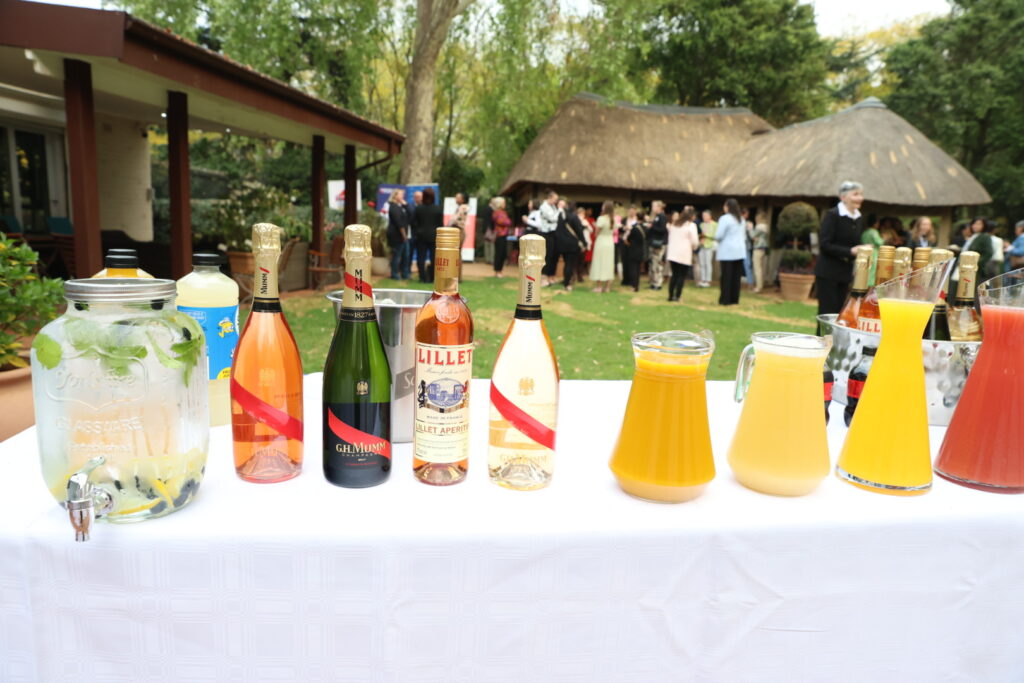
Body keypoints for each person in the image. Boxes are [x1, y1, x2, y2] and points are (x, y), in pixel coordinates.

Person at [815, 180, 867, 315]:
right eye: (855, 194)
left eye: (861, 194)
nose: (860, 198)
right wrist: (850, 251)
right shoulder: (833, 215)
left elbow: (852, 243)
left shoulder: (858, 217)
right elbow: (825, 244)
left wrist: (862, 250)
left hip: (845, 271)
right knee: (827, 312)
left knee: (840, 313)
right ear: (843, 197)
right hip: (828, 271)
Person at [715, 199, 746, 305]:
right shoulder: (741, 219)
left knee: (726, 276)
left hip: (727, 251)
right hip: (740, 251)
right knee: (736, 277)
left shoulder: (725, 218)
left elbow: (719, 235)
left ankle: (725, 299)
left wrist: (715, 238)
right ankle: (734, 299)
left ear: (727, 207)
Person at [666, 206, 699, 302]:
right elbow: (694, 241)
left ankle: (670, 295)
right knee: (681, 276)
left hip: (673, 253)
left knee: (674, 274)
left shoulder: (675, 224)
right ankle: (677, 295)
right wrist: (694, 248)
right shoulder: (691, 226)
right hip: (684, 253)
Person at [413, 187, 444, 283]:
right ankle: (432, 277)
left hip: (421, 236)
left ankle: (422, 277)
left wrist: (417, 231)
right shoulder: (438, 208)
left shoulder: (418, 208)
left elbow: (414, 222)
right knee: (434, 258)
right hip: (434, 236)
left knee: (421, 257)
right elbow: (440, 224)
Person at [554, 200, 585, 290]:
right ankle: (567, 283)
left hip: (562, 244)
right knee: (570, 264)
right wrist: (584, 243)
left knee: (566, 263)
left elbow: (558, 230)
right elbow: (579, 231)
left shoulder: (561, 216)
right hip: (572, 244)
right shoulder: (574, 217)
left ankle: (566, 282)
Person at [590, 200, 616, 293]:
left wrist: (595, 227)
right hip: (610, 242)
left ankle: (599, 287)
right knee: (609, 263)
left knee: (599, 263)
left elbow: (596, 233)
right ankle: (607, 287)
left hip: (601, 241)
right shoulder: (613, 219)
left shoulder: (601, 218)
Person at [386, 188, 411, 280]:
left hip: (403, 235)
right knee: (397, 255)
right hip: (397, 235)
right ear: (395, 196)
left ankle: (405, 274)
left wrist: (405, 204)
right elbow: (399, 223)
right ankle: (395, 274)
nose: (402, 196)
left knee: (406, 255)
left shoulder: (399, 206)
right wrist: (404, 235)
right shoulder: (394, 207)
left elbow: (410, 214)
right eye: (400, 194)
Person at [538, 189, 560, 286]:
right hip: (546, 233)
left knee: (553, 255)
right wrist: (560, 210)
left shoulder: (553, 207)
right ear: (550, 198)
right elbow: (553, 218)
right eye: (555, 199)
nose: (556, 201)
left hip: (553, 233)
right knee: (546, 256)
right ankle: (543, 277)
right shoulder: (544, 207)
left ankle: (550, 276)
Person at [622, 210, 647, 291]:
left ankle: (633, 286)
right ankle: (637, 285)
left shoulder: (635, 228)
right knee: (638, 269)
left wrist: (627, 242)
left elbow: (628, 239)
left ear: (637, 217)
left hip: (633, 250)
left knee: (633, 268)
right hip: (641, 250)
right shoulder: (645, 227)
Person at [647, 200, 668, 290]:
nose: (652, 208)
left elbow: (662, 229)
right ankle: (653, 282)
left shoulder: (662, 217)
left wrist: (652, 226)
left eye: (654, 206)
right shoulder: (656, 217)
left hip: (659, 243)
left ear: (659, 207)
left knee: (658, 263)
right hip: (653, 242)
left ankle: (658, 283)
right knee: (653, 263)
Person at [490, 197, 513, 277]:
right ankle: (497, 271)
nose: (505, 204)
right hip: (500, 235)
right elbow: (504, 222)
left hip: (503, 235)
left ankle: (499, 270)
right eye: (504, 203)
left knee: (502, 253)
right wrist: (507, 221)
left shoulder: (502, 212)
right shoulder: (497, 212)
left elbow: (507, 221)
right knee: (499, 253)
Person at [749, 211, 769, 293]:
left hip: (758, 248)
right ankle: (760, 285)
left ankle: (758, 287)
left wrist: (750, 228)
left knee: (757, 268)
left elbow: (752, 235)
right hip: (763, 248)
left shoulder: (759, 226)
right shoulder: (765, 227)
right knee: (760, 268)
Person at [697, 210, 717, 287]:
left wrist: (706, 235)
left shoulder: (715, 224)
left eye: (705, 216)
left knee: (708, 263)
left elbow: (715, 235)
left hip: (709, 245)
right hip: (701, 245)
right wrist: (700, 237)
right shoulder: (701, 224)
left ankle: (708, 280)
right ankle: (703, 279)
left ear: (710, 216)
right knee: (702, 263)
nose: (704, 217)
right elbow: (699, 234)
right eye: (703, 216)